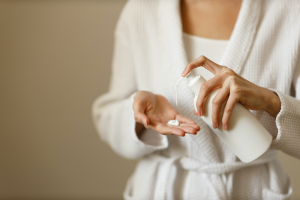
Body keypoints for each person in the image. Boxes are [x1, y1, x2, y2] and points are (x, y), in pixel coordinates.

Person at [92, 0, 300, 199]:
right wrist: (138, 115)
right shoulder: (143, 9)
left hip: (252, 188)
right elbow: (107, 119)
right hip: (164, 188)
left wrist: (271, 101)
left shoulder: (290, 10)